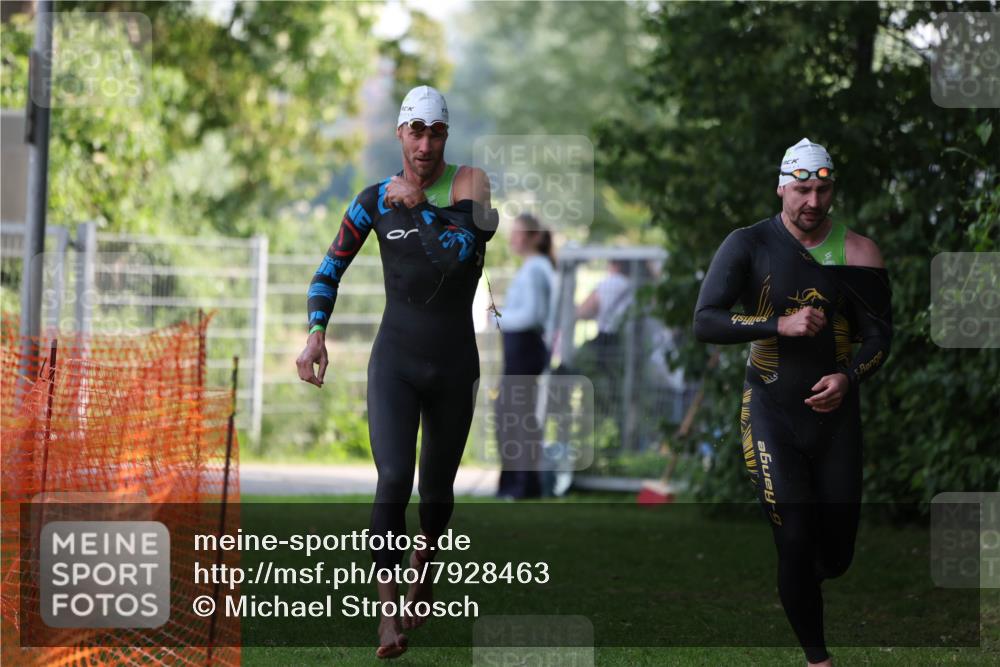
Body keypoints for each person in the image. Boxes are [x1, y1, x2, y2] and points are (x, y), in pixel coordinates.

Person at [295, 85, 497, 660]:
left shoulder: (470, 184)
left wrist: (417, 206)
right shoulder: (375, 199)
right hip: (396, 362)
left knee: (436, 492)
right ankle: (388, 618)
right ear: (400, 134)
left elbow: (457, 256)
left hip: (455, 363)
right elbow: (328, 268)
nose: (425, 144)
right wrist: (315, 333)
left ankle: (424, 566)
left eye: (436, 133)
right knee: (392, 480)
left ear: (446, 135)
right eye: (416, 132)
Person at [693, 138, 892, 667]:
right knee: (796, 538)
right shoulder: (749, 244)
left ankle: (806, 578)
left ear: (833, 191)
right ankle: (817, 659)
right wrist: (778, 324)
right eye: (802, 190)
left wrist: (848, 377)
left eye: (822, 191)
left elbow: (880, 338)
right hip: (770, 413)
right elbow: (705, 320)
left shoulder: (859, 253)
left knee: (836, 555)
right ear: (782, 188)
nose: (812, 202)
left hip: (836, 421)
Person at [492, 213, 556, 499]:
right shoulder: (531, 267)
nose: (512, 238)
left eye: (518, 233)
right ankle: (515, 484)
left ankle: (523, 485)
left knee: (517, 418)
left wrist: (497, 318)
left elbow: (533, 315)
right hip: (519, 350)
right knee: (510, 414)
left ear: (533, 237)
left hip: (526, 349)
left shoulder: (536, 269)